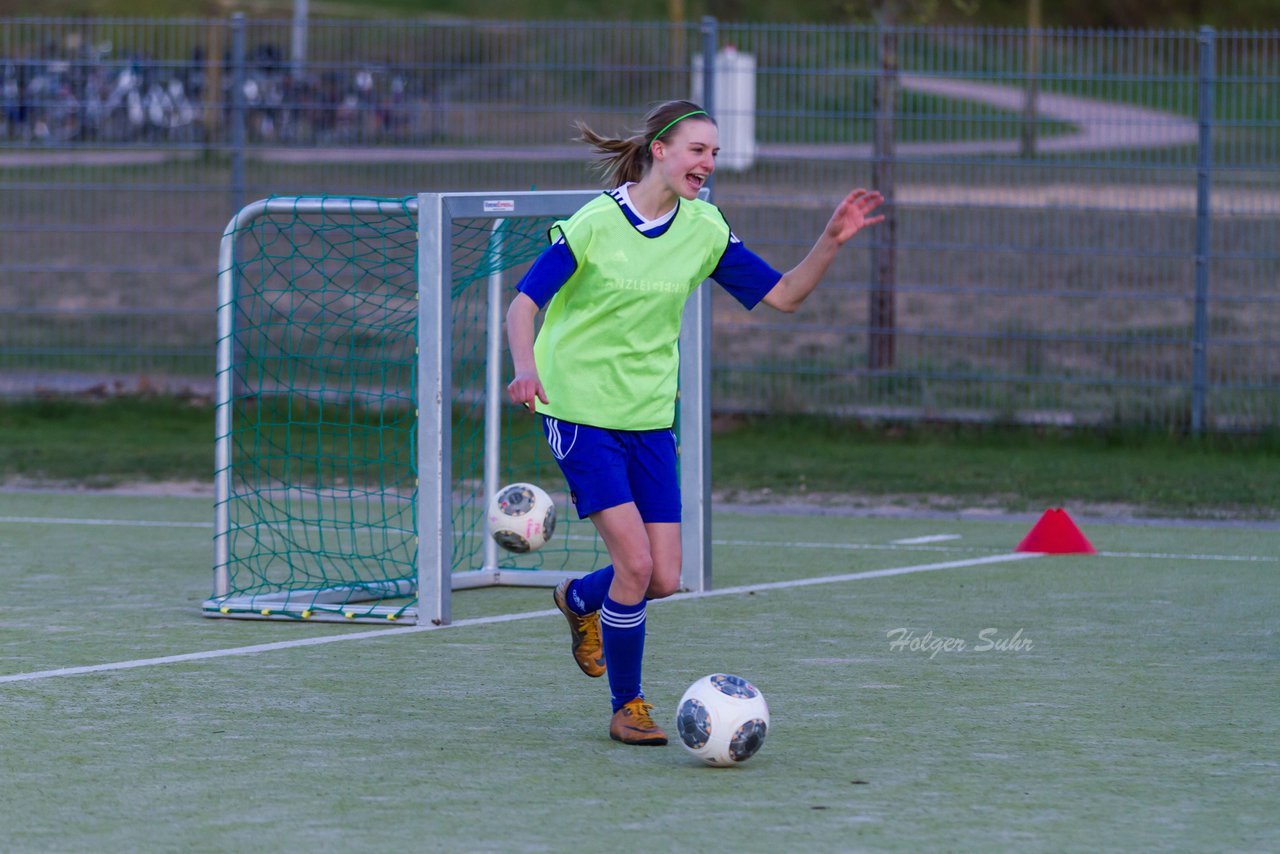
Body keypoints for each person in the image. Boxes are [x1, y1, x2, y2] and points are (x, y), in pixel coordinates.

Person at [506, 99, 884, 746]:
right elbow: (523, 305)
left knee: (664, 578)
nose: (707, 164)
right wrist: (524, 369)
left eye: (713, 153)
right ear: (660, 149)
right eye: (697, 150)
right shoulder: (597, 223)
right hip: (577, 409)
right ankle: (629, 706)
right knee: (634, 566)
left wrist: (830, 239)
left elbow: (786, 296)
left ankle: (577, 600)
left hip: (649, 417)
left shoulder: (704, 229)